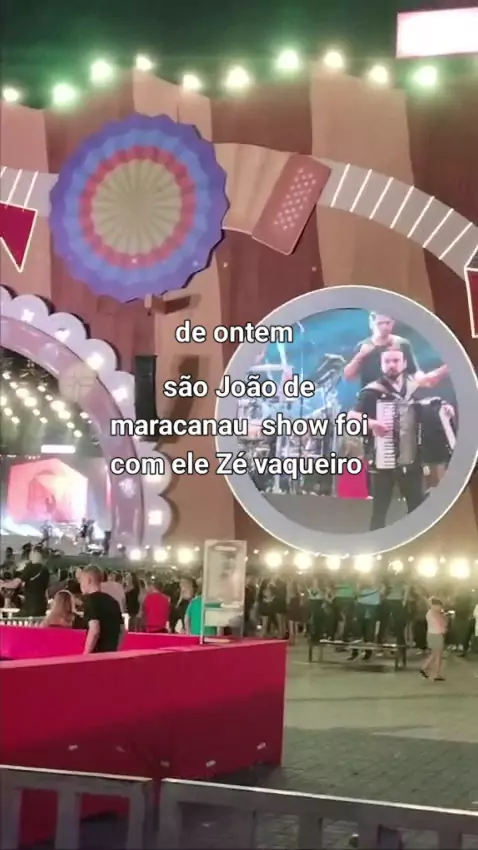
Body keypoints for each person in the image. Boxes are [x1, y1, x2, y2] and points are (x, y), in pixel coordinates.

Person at [349, 349, 449, 530]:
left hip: (413, 462)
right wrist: (373, 424)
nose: (391, 365)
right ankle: (376, 543)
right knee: (379, 512)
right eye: (387, 361)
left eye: (395, 361)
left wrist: (445, 409)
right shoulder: (373, 391)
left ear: (404, 364)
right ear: (381, 365)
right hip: (382, 463)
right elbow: (352, 417)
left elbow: (431, 405)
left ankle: (415, 543)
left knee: (416, 509)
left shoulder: (414, 388)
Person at [344, 313, 419, 387]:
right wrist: (361, 355)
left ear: (393, 323)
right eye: (380, 323)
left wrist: (422, 379)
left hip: (397, 393)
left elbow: (414, 372)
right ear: (371, 324)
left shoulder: (403, 344)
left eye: (387, 323)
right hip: (371, 393)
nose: (384, 327)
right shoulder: (363, 346)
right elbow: (348, 376)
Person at [80, 565, 123, 653]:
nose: (80, 584)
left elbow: (94, 630)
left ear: (88, 580)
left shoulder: (90, 601)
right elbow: (122, 630)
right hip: (112, 654)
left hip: (97, 654)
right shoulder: (113, 601)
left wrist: (85, 654)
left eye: (81, 580)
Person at [0, 545, 50, 617]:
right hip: (41, 607)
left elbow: (15, 584)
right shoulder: (45, 570)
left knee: (13, 619)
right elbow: (45, 591)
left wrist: (2, 585)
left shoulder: (31, 567)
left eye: (31, 552)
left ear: (35, 553)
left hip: (30, 607)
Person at [421, 597, 447, 681]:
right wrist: (444, 617)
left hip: (430, 634)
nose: (440, 608)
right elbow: (443, 624)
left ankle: (424, 667)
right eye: (439, 606)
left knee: (434, 654)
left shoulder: (428, 613)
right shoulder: (436, 614)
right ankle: (436, 674)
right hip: (437, 635)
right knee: (438, 655)